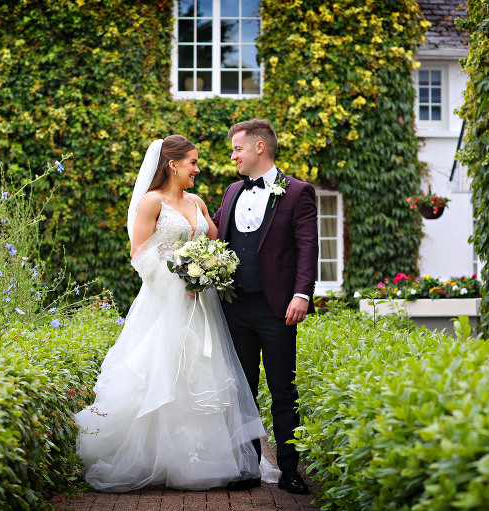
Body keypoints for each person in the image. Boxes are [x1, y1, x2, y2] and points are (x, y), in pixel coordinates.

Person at [73, 135, 265, 492]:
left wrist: (212, 268)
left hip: (202, 303)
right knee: (159, 371)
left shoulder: (197, 201)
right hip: (164, 302)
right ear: (172, 165)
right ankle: (151, 457)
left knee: (202, 373)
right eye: (192, 162)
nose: (197, 168)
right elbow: (140, 255)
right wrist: (181, 277)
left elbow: (218, 241)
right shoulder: (151, 202)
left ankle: (204, 458)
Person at [212, 119, 318, 495]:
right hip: (233, 307)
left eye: (237, 149)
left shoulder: (297, 193)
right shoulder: (230, 192)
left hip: (277, 309)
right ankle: (247, 468)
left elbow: (307, 248)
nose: (232, 156)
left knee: (282, 391)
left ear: (259, 147)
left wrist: (301, 294)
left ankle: (290, 471)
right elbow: (213, 234)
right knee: (242, 390)